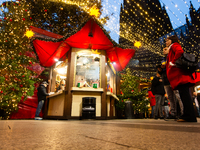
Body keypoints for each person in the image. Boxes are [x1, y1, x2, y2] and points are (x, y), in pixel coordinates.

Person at [165, 35, 196, 122]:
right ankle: (187, 115)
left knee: (185, 96)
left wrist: (173, 62)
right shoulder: (171, 47)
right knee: (183, 95)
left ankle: (189, 116)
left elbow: (179, 51)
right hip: (179, 77)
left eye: (167, 40)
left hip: (180, 77)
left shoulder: (174, 45)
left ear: (172, 40)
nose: (166, 42)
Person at [161, 47, 184, 119]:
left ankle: (183, 112)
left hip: (172, 79)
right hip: (166, 80)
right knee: (170, 97)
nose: (164, 51)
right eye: (163, 50)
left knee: (178, 95)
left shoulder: (172, 57)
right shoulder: (163, 59)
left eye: (165, 49)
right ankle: (173, 113)